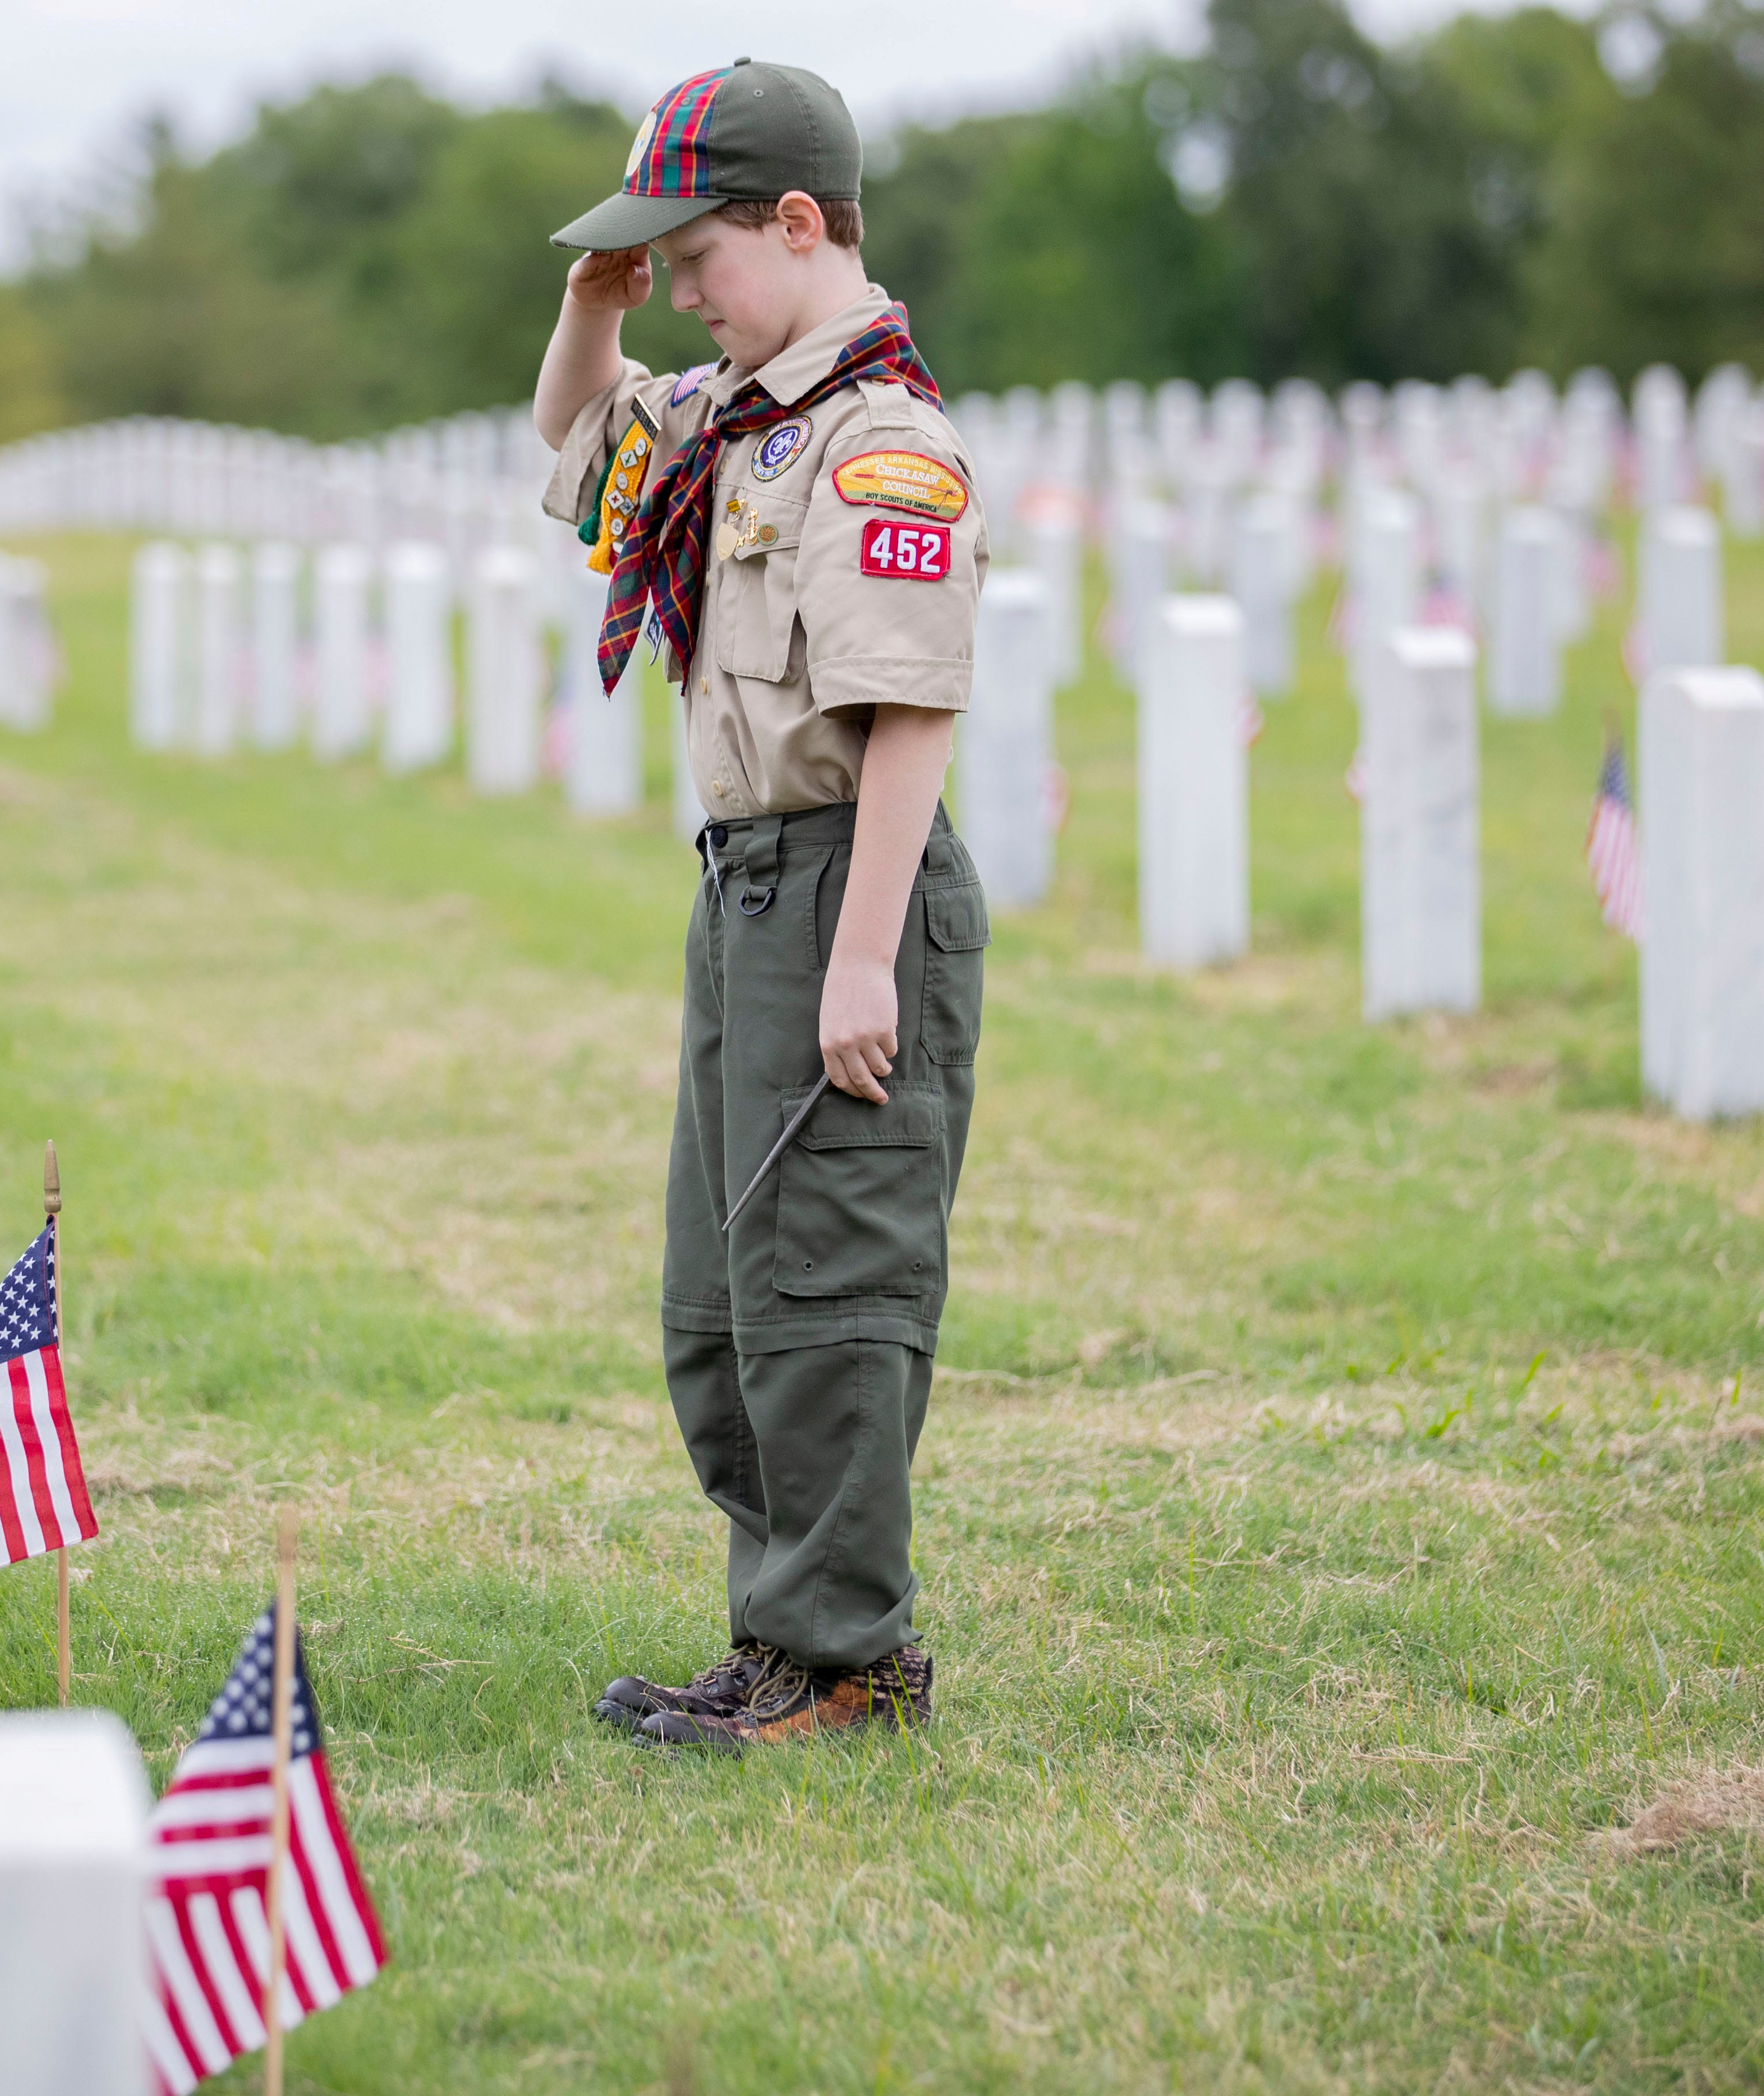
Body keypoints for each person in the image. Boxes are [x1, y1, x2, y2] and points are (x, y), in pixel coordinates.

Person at [530, 59, 989, 1751]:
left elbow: (912, 703)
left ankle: (850, 1661)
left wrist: (863, 954)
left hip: (844, 884)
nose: (688, 295)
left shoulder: (880, 443)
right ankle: (778, 1633)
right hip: (748, 885)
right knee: (721, 1301)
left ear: (799, 227)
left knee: (826, 1283)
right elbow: (577, 452)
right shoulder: (735, 416)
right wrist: (596, 303)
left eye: (700, 258)